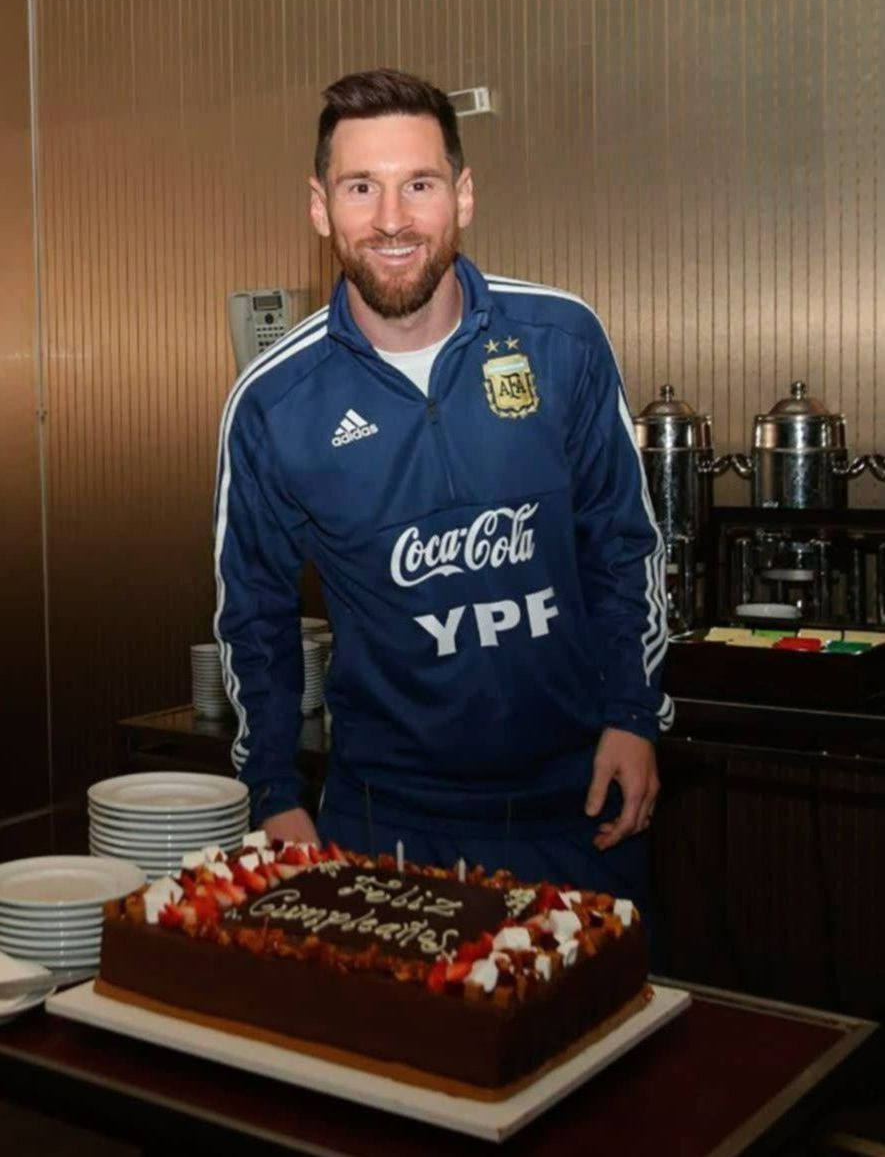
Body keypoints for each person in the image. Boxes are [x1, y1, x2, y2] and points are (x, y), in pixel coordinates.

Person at [214, 68, 671, 920]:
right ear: (320, 207)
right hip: (383, 819)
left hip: (579, 807)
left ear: (461, 196)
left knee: (605, 1045)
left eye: (418, 184)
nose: (391, 219)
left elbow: (620, 546)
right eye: (361, 187)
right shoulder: (274, 401)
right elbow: (255, 617)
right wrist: (272, 789)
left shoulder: (560, 340)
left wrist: (633, 715)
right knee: (392, 1053)